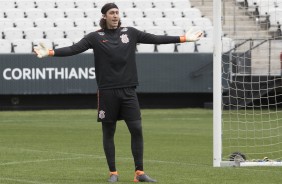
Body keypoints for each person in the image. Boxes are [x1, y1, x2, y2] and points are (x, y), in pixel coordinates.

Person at [34, 3, 202, 183]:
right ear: (104, 16)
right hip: (107, 92)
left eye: (117, 12)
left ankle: (139, 173)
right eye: (111, 13)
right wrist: (50, 52)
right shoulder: (95, 37)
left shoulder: (130, 32)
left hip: (129, 90)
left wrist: (184, 38)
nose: (115, 15)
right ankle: (113, 173)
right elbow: (74, 49)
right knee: (109, 131)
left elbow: (156, 38)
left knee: (136, 129)